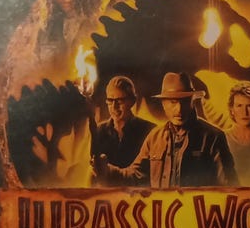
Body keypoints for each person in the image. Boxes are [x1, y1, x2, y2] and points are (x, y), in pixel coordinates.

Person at [96, 72, 238, 188]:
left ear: (192, 101)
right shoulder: (154, 137)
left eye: (184, 102)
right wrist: (107, 170)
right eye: (173, 102)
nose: (179, 109)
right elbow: (135, 176)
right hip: (163, 213)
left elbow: (230, 187)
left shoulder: (213, 137)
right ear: (164, 103)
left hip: (196, 213)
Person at [92, 76, 155, 185]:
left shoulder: (149, 131)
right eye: (110, 100)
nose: (114, 106)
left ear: (132, 101)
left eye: (120, 100)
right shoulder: (98, 132)